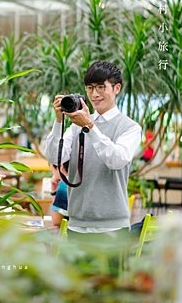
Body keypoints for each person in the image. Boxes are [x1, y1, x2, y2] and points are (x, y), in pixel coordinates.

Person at [44, 60, 142, 243]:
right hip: (76, 226)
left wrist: (89, 126)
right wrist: (59, 121)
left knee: (109, 273)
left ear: (116, 88)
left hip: (112, 228)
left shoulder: (130, 127)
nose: (94, 94)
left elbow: (117, 160)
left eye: (100, 87)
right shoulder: (75, 125)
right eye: (89, 88)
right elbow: (54, 157)